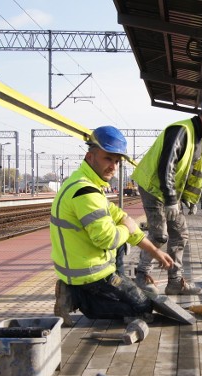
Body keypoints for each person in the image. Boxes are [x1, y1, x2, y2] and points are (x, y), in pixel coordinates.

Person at [51, 125, 174, 327]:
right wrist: (125, 228)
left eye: (117, 161)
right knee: (142, 307)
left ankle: (83, 291)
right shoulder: (86, 192)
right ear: (90, 156)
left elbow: (123, 219)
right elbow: (107, 239)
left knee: (122, 237)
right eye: (108, 158)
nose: (113, 166)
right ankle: (76, 298)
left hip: (80, 265)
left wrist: (155, 252)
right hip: (89, 274)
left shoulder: (85, 183)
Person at [132, 96, 202, 295]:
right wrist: (170, 201)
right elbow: (166, 166)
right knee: (160, 234)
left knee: (180, 233)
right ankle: (142, 276)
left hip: (169, 193)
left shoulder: (200, 141)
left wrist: (189, 199)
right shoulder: (181, 131)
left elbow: (193, 173)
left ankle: (175, 282)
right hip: (152, 187)